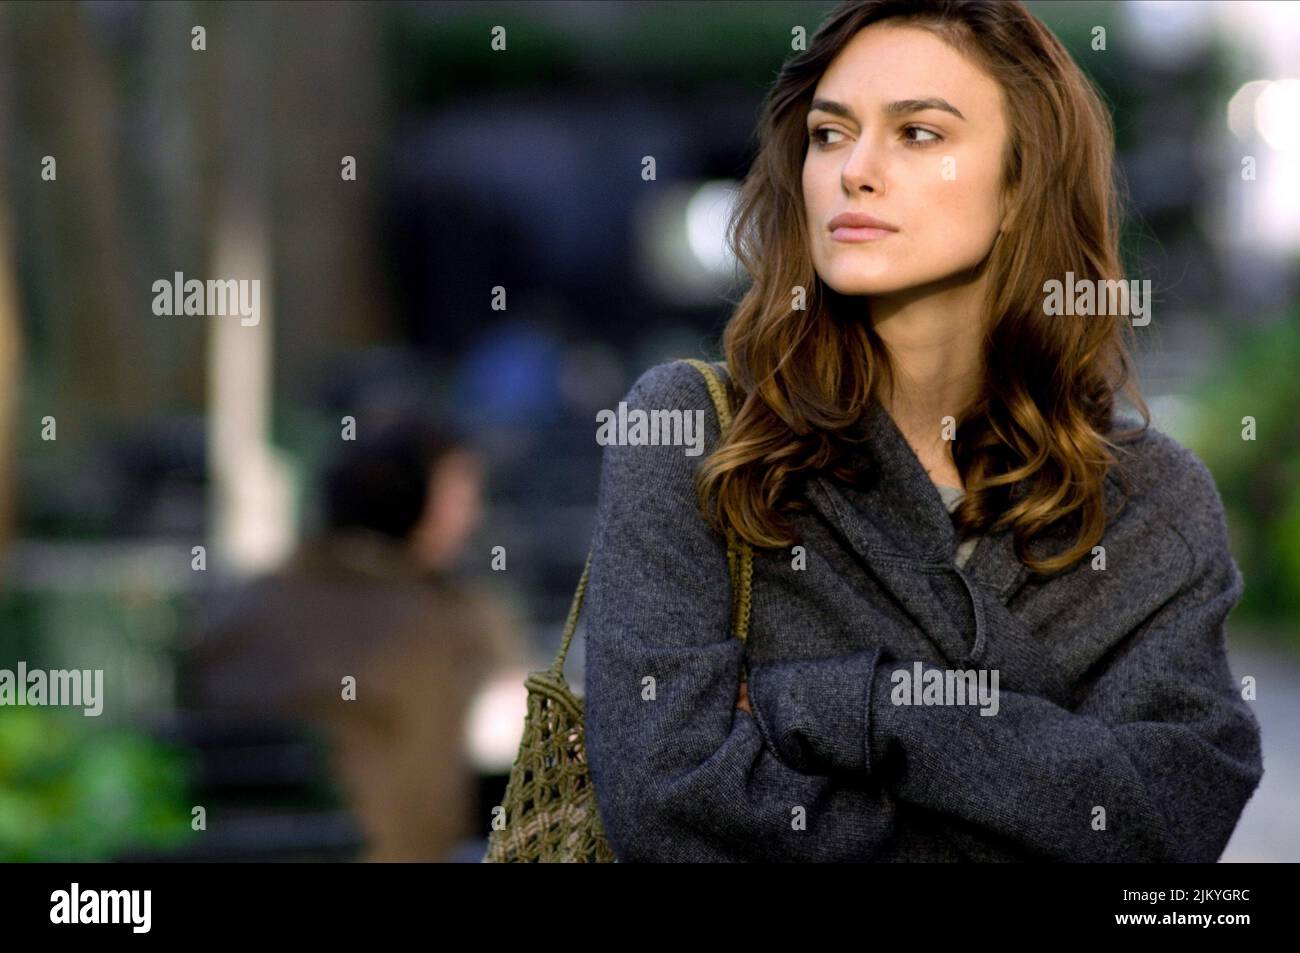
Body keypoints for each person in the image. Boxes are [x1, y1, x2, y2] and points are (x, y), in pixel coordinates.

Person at [582, 0, 1264, 862]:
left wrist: (865, 706)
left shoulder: (1146, 502)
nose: (854, 171)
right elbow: (668, 808)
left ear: (1021, 185)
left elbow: (1166, 819)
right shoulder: (691, 434)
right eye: (829, 134)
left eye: (918, 134)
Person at [185, 416, 532, 861]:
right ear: (418, 505)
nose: (472, 517)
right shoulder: (454, 620)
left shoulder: (236, 606)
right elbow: (519, 737)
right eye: (459, 499)